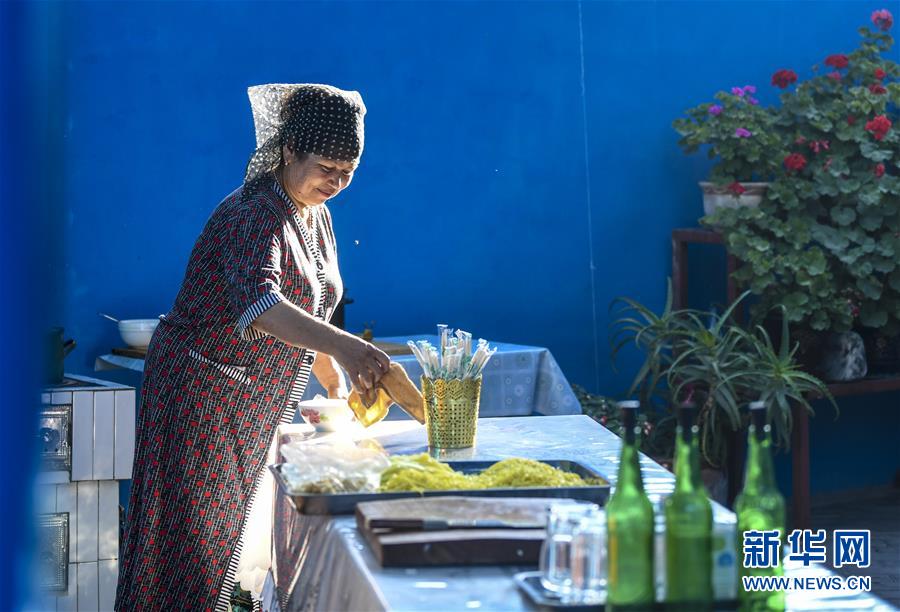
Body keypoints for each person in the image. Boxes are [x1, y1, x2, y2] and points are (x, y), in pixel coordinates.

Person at [116, 83, 389, 611]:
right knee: (190, 544)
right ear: (288, 151)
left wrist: (332, 376)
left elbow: (316, 300)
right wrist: (349, 348)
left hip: (244, 400)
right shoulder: (254, 212)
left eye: (348, 171)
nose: (336, 182)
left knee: (228, 541)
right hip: (199, 395)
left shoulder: (315, 212)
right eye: (326, 168)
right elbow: (261, 305)